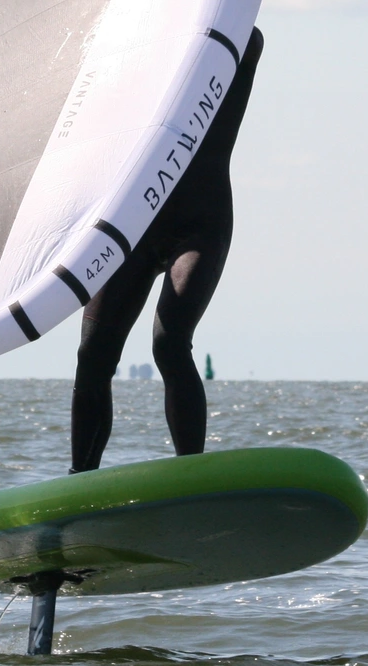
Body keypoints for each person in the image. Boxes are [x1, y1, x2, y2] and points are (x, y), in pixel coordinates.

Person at [70, 27, 266, 473]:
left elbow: (250, 39)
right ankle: (80, 479)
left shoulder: (230, 42)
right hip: (134, 223)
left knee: (169, 341)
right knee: (93, 355)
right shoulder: (139, 51)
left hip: (199, 224)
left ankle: (189, 474)